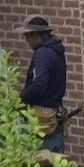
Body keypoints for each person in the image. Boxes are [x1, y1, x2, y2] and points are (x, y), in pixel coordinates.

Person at [18, 14, 68, 150]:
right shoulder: (56, 51)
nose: (26, 41)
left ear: (35, 35)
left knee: (38, 166)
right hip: (54, 116)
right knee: (56, 165)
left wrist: (19, 98)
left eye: (27, 36)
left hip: (42, 122)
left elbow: (38, 86)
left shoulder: (43, 54)